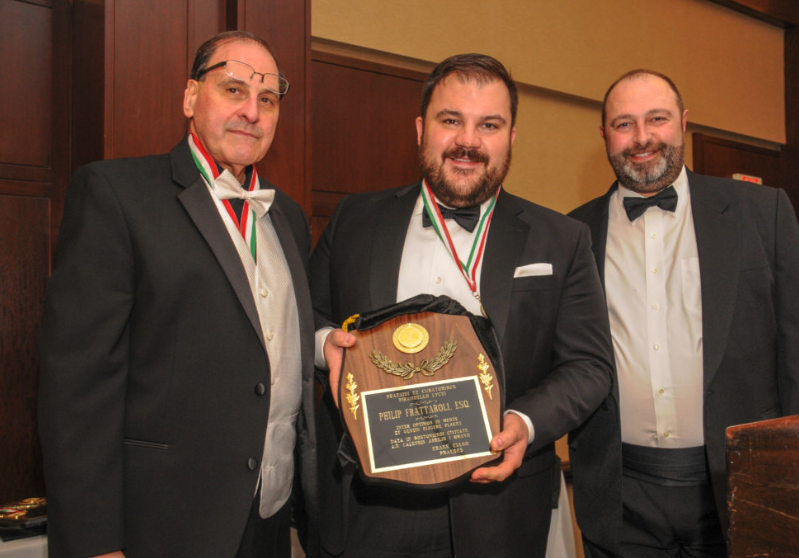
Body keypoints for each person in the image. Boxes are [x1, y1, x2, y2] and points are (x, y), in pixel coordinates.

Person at [310, 53, 614, 558]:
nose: (468, 141)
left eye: (488, 125)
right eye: (451, 120)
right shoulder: (354, 219)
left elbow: (589, 365)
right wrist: (327, 348)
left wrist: (525, 423)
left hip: (501, 509)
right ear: (420, 128)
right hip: (371, 508)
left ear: (512, 137)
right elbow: (307, 316)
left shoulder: (562, 239)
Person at [38, 31, 317, 558]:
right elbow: (77, 389)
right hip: (161, 526)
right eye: (234, 90)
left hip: (269, 521)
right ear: (191, 97)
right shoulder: (116, 195)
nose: (251, 112)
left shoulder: (289, 219)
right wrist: (94, 542)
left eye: (267, 99)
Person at [568, 69, 799, 558]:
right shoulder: (571, 234)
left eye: (658, 119)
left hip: (745, 482)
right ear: (604, 134)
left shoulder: (763, 212)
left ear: (684, 124)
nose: (642, 137)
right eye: (624, 124)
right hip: (620, 495)